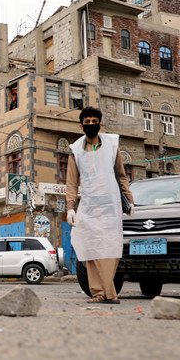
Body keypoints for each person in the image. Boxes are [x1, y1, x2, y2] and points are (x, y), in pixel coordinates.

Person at [65, 106, 134, 304]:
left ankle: (107, 292)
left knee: (110, 250)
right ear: (81, 126)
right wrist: (70, 207)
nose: (90, 125)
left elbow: (122, 175)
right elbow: (71, 182)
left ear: (100, 123)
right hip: (88, 207)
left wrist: (129, 200)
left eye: (94, 122)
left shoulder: (112, 145)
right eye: (86, 123)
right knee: (89, 248)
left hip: (111, 206)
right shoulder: (75, 150)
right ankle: (100, 293)